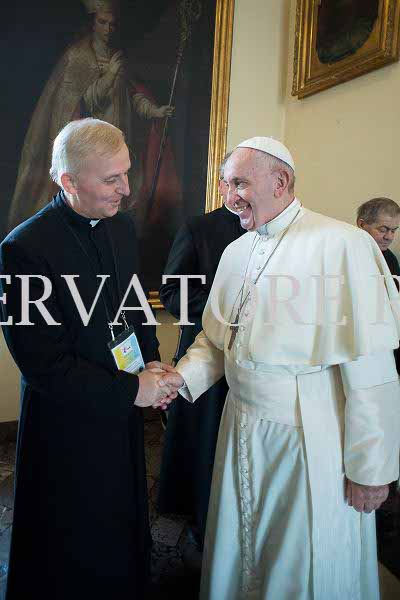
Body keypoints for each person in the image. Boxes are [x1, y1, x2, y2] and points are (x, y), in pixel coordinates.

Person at [159, 137, 400, 600]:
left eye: (240, 183)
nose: (231, 196)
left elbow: (370, 369)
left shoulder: (342, 244)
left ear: (281, 181)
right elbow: (217, 339)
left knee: (300, 562)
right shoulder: (236, 251)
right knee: (242, 550)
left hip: (308, 438)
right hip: (239, 426)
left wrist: (371, 469)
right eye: (226, 184)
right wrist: (179, 378)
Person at [0, 118, 176, 600]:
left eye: (127, 172)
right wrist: (133, 388)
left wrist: (152, 364)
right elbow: (43, 365)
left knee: (120, 517)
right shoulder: (23, 249)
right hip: (65, 423)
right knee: (71, 537)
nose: (127, 189)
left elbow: (134, 307)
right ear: (69, 181)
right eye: (112, 179)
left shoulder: (121, 227)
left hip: (121, 408)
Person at [8, 0, 181, 237]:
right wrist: (110, 76)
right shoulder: (78, 57)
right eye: (102, 22)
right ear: (92, 23)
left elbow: (132, 95)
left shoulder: (117, 57)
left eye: (112, 24)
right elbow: (86, 100)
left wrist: (153, 110)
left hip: (117, 138)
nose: (108, 29)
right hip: (91, 148)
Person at [157, 154, 244, 552]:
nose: (238, 192)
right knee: (204, 442)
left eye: (245, 183)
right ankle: (200, 518)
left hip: (253, 362)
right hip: (206, 347)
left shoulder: (273, 231)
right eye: (232, 183)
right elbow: (172, 292)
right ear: (221, 185)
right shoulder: (199, 228)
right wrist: (226, 310)